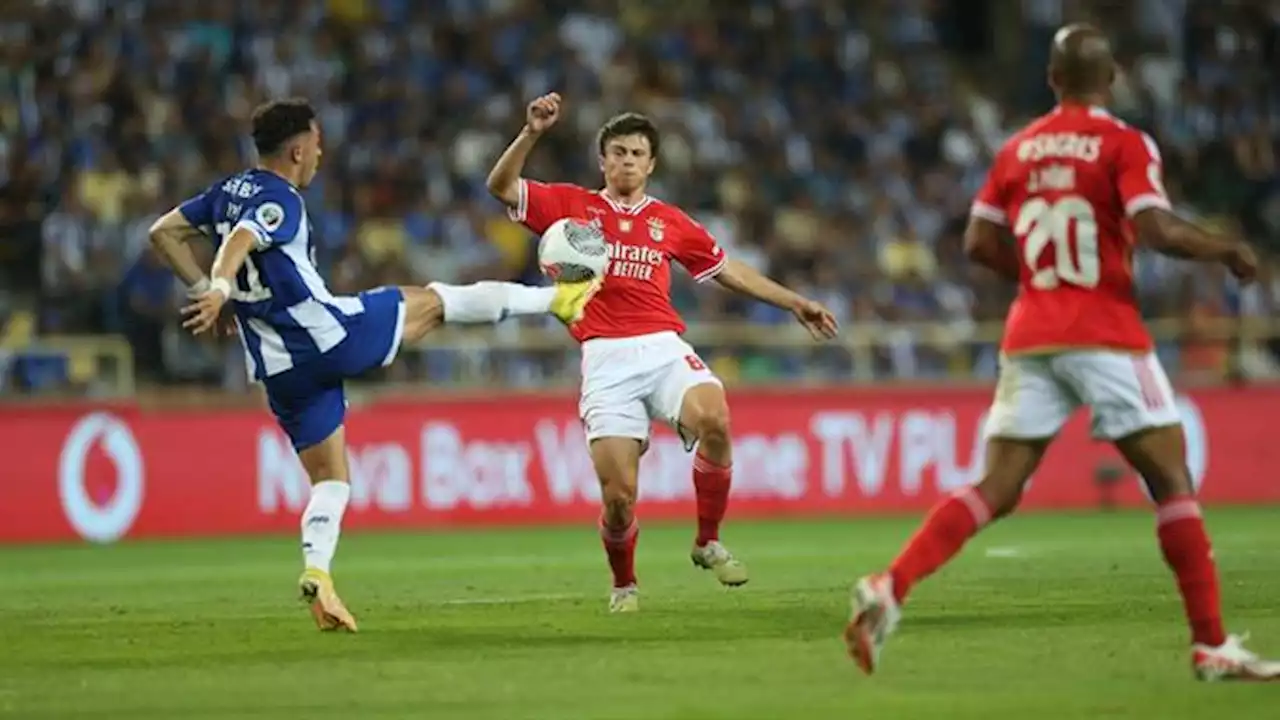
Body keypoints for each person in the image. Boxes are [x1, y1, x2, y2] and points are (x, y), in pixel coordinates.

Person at [842, 24, 1279, 682]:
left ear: (1051, 79)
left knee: (997, 487)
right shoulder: (1123, 141)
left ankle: (891, 583)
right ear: (1113, 80)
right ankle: (1211, 644)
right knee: (1171, 480)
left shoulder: (1017, 148)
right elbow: (1153, 227)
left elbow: (976, 244)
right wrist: (1227, 249)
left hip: (1032, 330)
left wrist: (1040, 279)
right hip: (1104, 329)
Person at [147, 98, 600, 632]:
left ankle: (319, 572)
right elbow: (245, 237)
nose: (320, 154)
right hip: (324, 334)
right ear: (297, 149)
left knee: (331, 478)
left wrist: (204, 288)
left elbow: (163, 233)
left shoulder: (225, 191)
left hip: (277, 367)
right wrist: (219, 286)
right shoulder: (280, 199)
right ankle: (557, 300)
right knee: (432, 302)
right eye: (316, 145)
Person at [487, 93, 839, 612]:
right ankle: (624, 584)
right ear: (602, 160)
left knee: (714, 417)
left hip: (662, 348)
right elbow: (500, 187)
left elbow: (729, 270)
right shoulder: (570, 206)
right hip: (605, 359)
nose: (627, 160)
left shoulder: (669, 222)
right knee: (618, 498)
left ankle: (707, 541)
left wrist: (794, 302)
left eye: (636, 153)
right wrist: (532, 132)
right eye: (618, 152)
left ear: (651, 164)